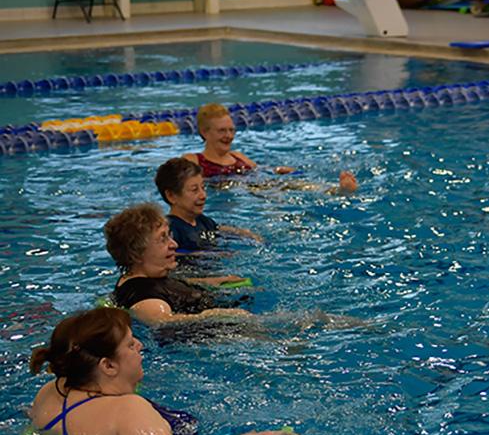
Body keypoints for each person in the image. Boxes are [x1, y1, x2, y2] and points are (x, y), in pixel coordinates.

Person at [28, 307, 291, 435]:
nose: (140, 346)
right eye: (131, 344)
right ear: (108, 366)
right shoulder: (129, 410)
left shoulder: (50, 391)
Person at [105, 203, 251, 326]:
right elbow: (163, 321)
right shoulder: (141, 295)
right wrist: (218, 314)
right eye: (162, 239)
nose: (173, 244)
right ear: (136, 253)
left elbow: (166, 287)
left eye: (169, 235)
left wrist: (209, 282)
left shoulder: (149, 277)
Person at [182, 102, 357, 193]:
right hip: (238, 190)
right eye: (222, 131)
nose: (229, 135)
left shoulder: (237, 156)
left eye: (231, 130)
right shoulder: (193, 160)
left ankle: (335, 190)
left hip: (253, 185)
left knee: (285, 185)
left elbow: (262, 170)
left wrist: (281, 170)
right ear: (205, 132)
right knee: (272, 193)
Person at [155, 157, 260, 252]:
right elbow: (167, 256)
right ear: (171, 196)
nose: (203, 195)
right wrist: (204, 255)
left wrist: (245, 233)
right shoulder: (171, 229)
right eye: (194, 190)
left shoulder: (202, 221)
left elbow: (218, 229)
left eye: (203, 187)